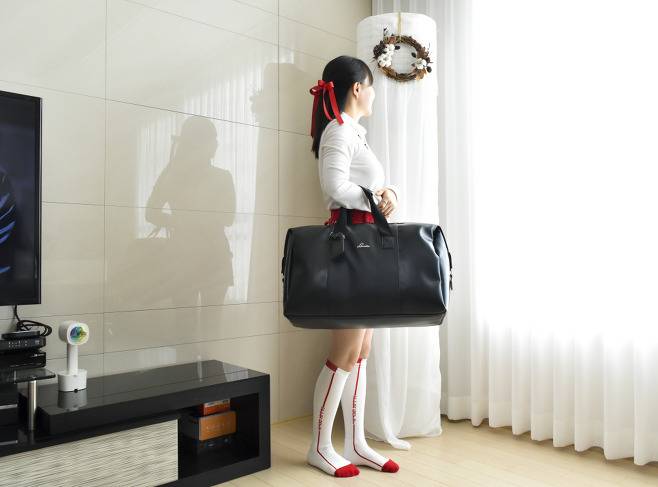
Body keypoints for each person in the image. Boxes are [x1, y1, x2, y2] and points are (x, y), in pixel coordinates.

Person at [305, 55, 401, 478]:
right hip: (349, 248)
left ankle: (357, 443)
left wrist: (388, 193)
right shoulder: (338, 131)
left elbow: (365, 185)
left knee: (361, 350)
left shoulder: (352, 132)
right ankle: (320, 447)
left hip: (365, 246)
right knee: (344, 351)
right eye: (372, 85)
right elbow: (334, 187)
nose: (374, 94)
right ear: (358, 88)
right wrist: (374, 197)